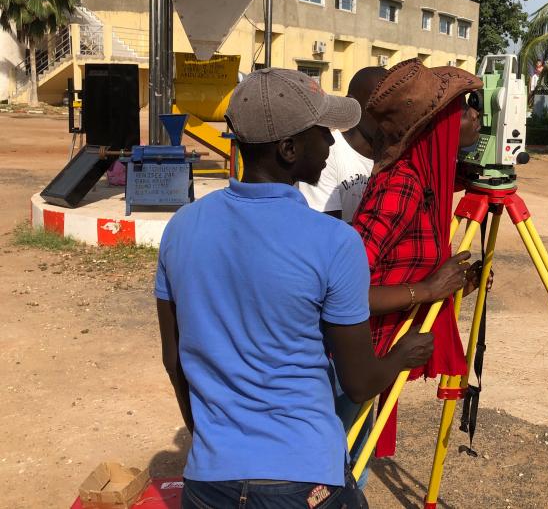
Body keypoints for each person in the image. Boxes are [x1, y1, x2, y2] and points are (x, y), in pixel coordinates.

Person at [155, 68, 433, 509]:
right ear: (288, 149)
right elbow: (360, 384)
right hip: (303, 480)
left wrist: (213, 446)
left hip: (209, 482)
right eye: (323, 132)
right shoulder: (334, 243)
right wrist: (404, 355)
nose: (330, 143)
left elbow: (175, 360)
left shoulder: (182, 227)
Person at [351, 58, 487, 457]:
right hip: (356, 361)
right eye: (460, 109)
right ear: (436, 126)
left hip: (371, 358)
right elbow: (343, 289)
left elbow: (405, 257)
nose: (473, 115)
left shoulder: (426, 178)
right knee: (336, 472)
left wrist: (459, 280)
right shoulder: (403, 185)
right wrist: (426, 290)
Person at [299, 66, 388, 223]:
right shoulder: (325, 153)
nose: (388, 113)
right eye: (379, 103)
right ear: (352, 104)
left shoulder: (395, 154)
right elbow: (327, 230)